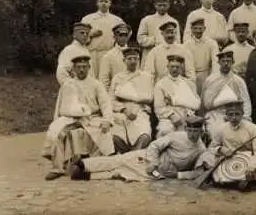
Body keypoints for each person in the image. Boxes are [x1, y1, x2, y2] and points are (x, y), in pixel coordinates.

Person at [42, 53, 114, 181]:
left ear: (88, 68)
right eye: (79, 67)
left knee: (101, 133)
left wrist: (107, 120)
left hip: (92, 118)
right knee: (59, 133)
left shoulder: (96, 84)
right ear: (74, 69)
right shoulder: (68, 85)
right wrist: (58, 120)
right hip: (71, 118)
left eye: (84, 67)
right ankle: (58, 168)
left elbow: (105, 104)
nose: (81, 70)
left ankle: (91, 164)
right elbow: (60, 106)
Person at [69, 116, 207, 182]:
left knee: (120, 174)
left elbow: (198, 172)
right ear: (186, 129)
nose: (192, 134)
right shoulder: (177, 136)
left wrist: (178, 175)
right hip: (149, 158)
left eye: (196, 131)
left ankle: (83, 175)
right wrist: (153, 163)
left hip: (161, 173)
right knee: (118, 160)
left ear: (201, 132)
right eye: (190, 130)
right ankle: (82, 164)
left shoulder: (201, 149)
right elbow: (154, 145)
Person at [196, 101, 256, 190]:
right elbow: (211, 148)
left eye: (237, 114)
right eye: (231, 114)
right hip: (228, 159)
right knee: (205, 156)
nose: (234, 117)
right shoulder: (221, 128)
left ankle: (239, 181)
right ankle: (231, 181)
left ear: (242, 114)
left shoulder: (252, 128)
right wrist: (221, 149)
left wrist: (251, 168)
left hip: (247, 161)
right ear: (226, 115)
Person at [109, 47, 153, 154]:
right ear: (124, 60)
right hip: (121, 112)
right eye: (129, 59)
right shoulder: (118, 77)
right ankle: (127, 155)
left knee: (144, 135)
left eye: (135, 59)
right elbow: (110, 99)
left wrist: (137, 107)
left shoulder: (146, 77)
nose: (133, 61)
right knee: (115, 137)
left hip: (140, 111)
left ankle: (133, 156)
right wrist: (124, 109)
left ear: (139, 60)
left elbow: (149, 98)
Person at [201, 50, 252, 139]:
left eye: (228, 61)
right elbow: (205, 102)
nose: (225, 64)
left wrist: (245, 116)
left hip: (235, 113)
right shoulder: (210, 80)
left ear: (232, 62)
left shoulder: (238, 81)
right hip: (216, 114)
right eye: (223, 61)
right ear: (218, 63)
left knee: (244, 134)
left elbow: (246, 100)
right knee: (216, 133)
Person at [154, 55, 201, 138]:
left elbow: (196, 104)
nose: (174, 69)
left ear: (181, 68)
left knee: (196, 131)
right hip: (168, 117)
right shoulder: (160, 84)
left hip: (187, 115)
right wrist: (172, 116)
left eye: (177, 67)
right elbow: (159, 107)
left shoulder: (189, 83)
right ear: (167, 67)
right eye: (172, 66)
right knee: (165, 130)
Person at [81, 0, 124, 78]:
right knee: (92, 78)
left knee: (108, 77)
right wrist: (91, 35)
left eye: (106, 1)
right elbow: (80, 38)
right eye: (101, 1)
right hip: (93, 54)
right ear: (97, 3)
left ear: (110, 3)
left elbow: (125, 35)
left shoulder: (117, 20)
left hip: (109, 52)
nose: (103, 4)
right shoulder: (88, 19)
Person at [137, 0, 181, 68]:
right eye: (159, 5)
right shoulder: (147, 20)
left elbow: (178, 41)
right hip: (149, 55)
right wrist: (155, 40)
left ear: (169, 5)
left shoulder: (173, 21)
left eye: (164, 5)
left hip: (168, 56)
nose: (162, 8)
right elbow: (140, 39)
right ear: (155, 5)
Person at [183, 17, 220, 94]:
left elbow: (216, 61)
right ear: (191, 29)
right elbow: (187, 65)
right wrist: (191, 81)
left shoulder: (212, 43)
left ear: (204, 28)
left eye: (200, 28)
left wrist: (213, 78)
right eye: (195, 28)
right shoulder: (187, 45)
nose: (198, 31)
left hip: (207, 75)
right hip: (191, 77)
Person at [98, 23, 132, 90]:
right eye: (120, 35)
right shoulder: (108, 56)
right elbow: (103, 81)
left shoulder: (133, 54)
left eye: (125, 35)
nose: (123, 38)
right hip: (114, 93)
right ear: (115, 37)